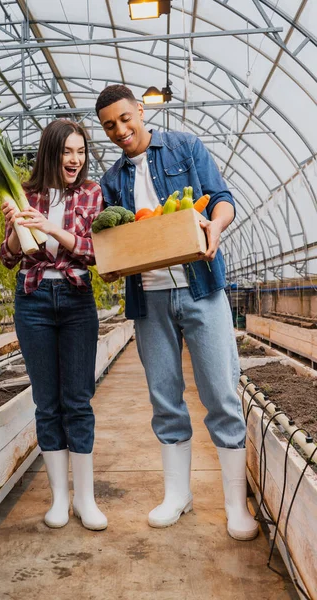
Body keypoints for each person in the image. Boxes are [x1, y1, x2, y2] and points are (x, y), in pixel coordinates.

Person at [95, 84, 258, 541]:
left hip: (201, 288)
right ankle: (177, 496)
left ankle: (234, 506)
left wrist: (214, 226)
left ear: (141, 111)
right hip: (149, 299)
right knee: (164, 398)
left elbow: (222, 198)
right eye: (110, 125)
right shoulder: (112, 180)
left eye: (125, 119)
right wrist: (110, 266)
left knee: (221, 394)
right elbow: (116, 242)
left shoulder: (185, 146)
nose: (120, 131)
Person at [0, 119, 107, 531]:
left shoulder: (92, 193)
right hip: (33, 300)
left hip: (77, 299)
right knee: (47, 403)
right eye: (67, 152)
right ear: (51, 152)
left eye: (80, 151)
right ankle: (59, 500)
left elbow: (96, 252)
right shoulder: (25, 194)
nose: (75, 160)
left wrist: (51, 229)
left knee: (77, 401)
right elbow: (10, 256)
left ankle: (86, 499)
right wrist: (17, 229)